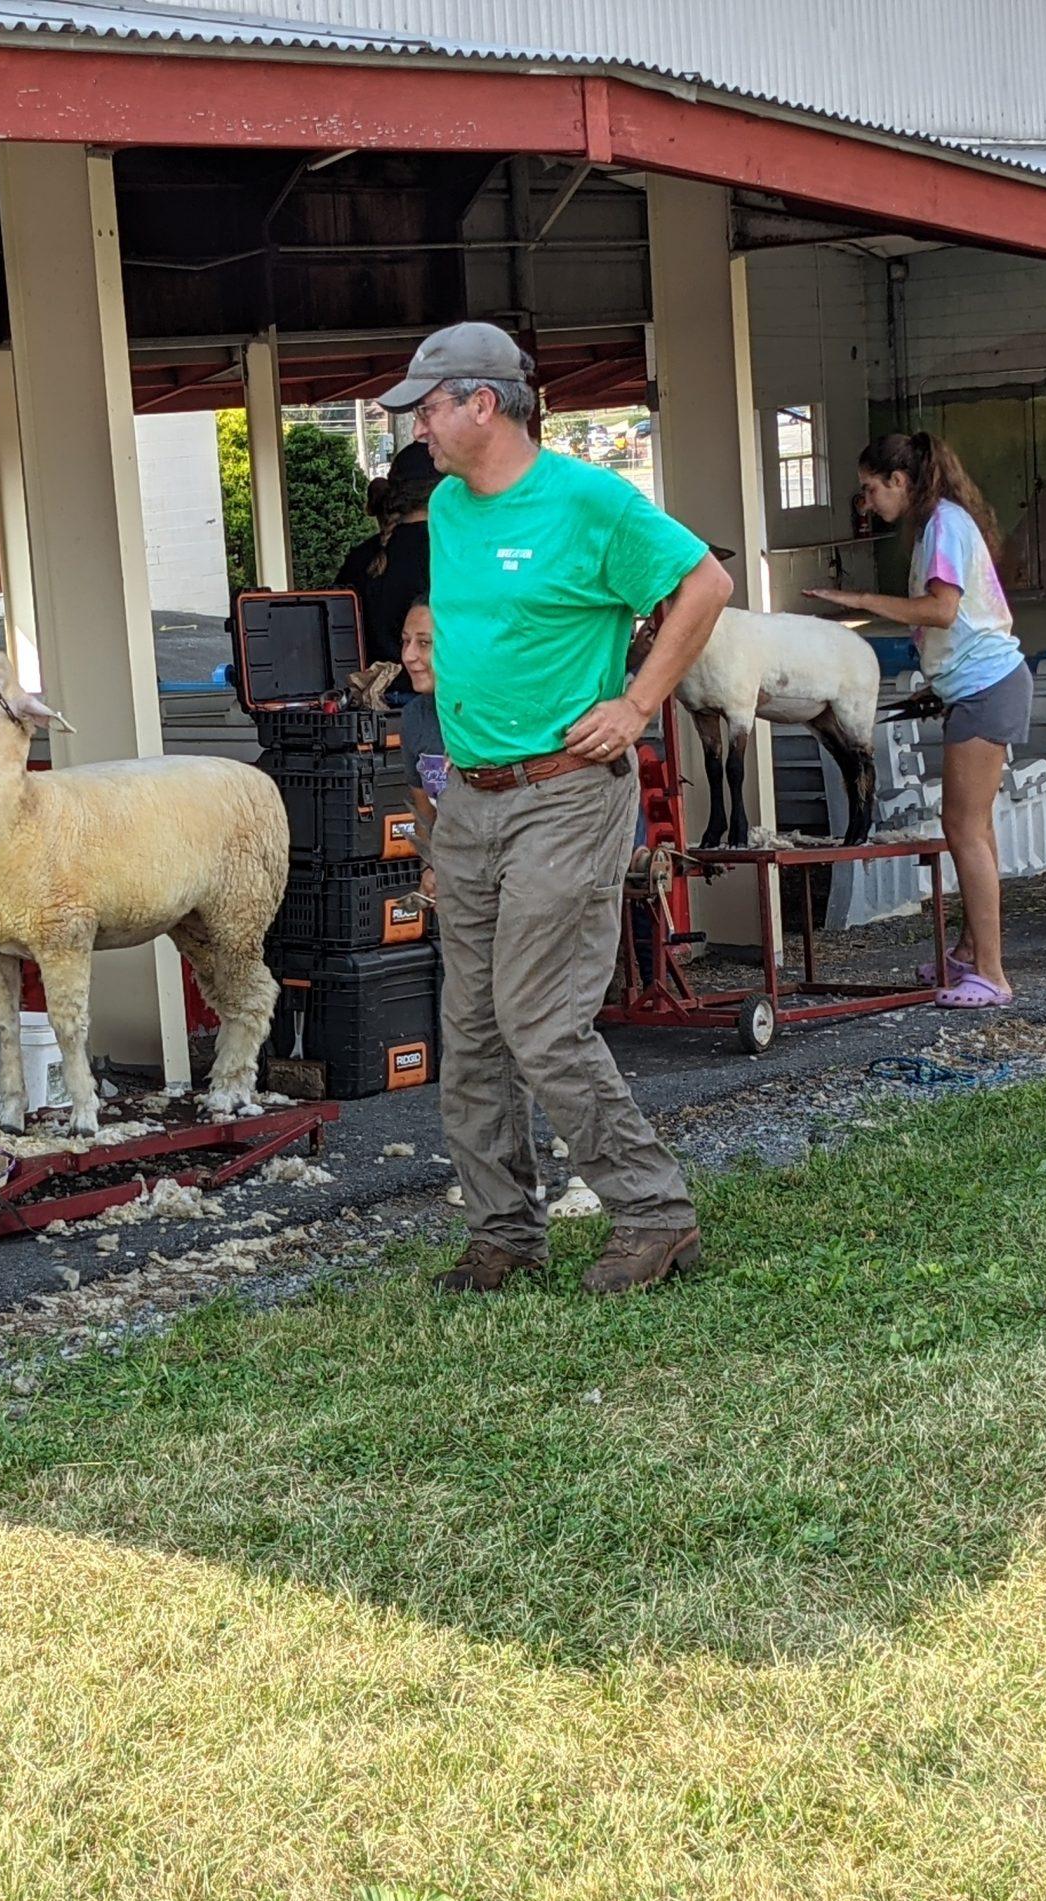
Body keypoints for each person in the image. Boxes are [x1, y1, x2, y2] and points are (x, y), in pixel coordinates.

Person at [383, 320, 732, 1297]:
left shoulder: (589, 502)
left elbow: (705, 583)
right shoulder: (448, 509)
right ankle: (504, 1232)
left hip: (565, 793)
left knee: (537, 1018)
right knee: (472, 1024)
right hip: (472, 795)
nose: (416, 429)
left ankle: (654, 1214)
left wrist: (636, 703)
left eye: (427, 408)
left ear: (481, 403)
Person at [805, 431, 1030, 1010]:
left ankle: (992, 974)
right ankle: (968, 953)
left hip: (988, 687)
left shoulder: (944, 526)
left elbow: (942, 609)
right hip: (975, 687)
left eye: (869, 488)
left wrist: (862, 601)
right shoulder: (941, 523)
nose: (867, 501)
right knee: (970, 830)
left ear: (899, 482)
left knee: (965, 828)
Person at [334, 440, 440, 673]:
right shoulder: (448, 554)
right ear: (444, 490)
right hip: (431, 697)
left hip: (365, 698)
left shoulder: (361, 557)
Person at [396, 596, 447, 899]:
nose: (409, 656)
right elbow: (425, 812)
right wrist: (432, 865)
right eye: (405, 642)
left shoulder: (490, 714)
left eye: (424, 643)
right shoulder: (414, 718)